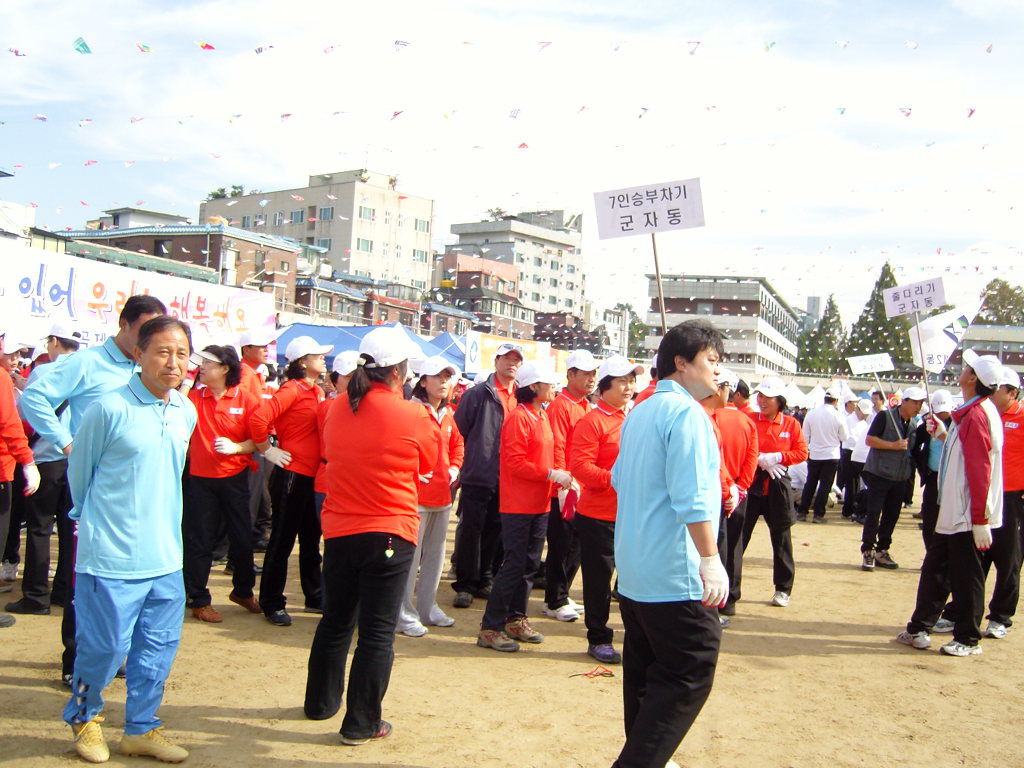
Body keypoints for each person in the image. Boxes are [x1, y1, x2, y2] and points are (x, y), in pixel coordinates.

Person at [61, 316, 196, 763]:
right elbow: (80, 478)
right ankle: (85, 718)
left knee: (156, 650)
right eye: (162, 351)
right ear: (138, 354)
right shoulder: (109, 408)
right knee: (103, 649)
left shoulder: (184, 410)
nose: (172, 362)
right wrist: (99, 523)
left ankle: (141, 727)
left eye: (181, 352)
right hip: (111, 557)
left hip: (165, 558)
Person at [20, 295, 166, 681]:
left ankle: (117, 652)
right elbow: (33, 397)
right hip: (91, 486)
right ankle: (77, 662)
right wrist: (67, 442)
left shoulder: (149, 368)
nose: (151, 339)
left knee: (131, 575)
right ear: (124, 324)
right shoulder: (87, 363)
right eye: (144, 330)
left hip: (138, 490)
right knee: (82, 575)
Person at [304, 325, 436, 745]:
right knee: (376, 633)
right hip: (389, 531)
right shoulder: (413, 414)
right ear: (399, 372)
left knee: (336, 621)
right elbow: (430, 462)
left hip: (341, 528)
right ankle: (361, 723)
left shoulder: (334, 408)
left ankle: (320, 703)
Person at [609, 319, 729, 768]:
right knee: (689, 668)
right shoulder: (685, 414)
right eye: (711, 361)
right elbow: (693, 496)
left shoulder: (640, 411)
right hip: (673, 572)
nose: (718, 372)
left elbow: (622, 479)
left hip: (637, 568)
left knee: (645, 671)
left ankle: (647, 755)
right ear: (681, 363)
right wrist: (711, 559)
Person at [896, 350, 1003, 656]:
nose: (961, 370)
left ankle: (968, 638)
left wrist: (981, 519)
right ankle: (919, 626)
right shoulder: (970, 411)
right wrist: (943, 435)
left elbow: (980, 468)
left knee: (966, 575)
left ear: (973, 378)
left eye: (966, 368)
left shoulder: (978, 414)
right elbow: (963, 455)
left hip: (966, 513)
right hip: (954, 510)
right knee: (936, 570)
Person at [477, 360, 571, 652]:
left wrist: (558, 477)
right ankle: (490, 627)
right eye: (549, 383)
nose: (553, 387)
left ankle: (515, 618)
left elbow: (548, 454)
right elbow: (516, 463)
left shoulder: (540, 415)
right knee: (515, 564)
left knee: (529, 563)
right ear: (534, 387)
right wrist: (549, 474)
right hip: (518, 504)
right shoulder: (520, 418)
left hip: (539, 503)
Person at [182, 345, 271, 623]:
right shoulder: (193, 398)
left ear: (225, 368)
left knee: (242, 537)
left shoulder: (246, 400)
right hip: (199, 479)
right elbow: (171, 414)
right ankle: (197, 598)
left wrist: (235, 447)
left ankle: (243, 591)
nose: (203, 367)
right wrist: (186, 383)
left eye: (208, 362)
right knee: (200, 540)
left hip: (234, 477)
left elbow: (259, 441)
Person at [568, 355, 642, 664]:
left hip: (631, 514)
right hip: (599, 515)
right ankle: (597, 636)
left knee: (633, 577)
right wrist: (612, 480)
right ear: (606, 387)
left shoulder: (634, 418)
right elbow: (580, 465)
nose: (629, 387)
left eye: (631, 381)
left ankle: (637, 635)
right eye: (622, 381)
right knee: (598, 581)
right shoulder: (592, 421)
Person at [6, 323, 78, 618]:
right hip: (76, 462)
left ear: (53, 342)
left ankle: (36, 595)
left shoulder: (44, 372)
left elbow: (24, 413)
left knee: (39, 528)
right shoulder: (90, 372)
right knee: (68, 529)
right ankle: (64, 590)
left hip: (47, 459)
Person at [258, 335, 331, 626]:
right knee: (282, 540)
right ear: (303, 361)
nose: (323, 358)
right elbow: (258, 419)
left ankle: (314, 595)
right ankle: (272, 601)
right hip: (292, 474)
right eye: (317, 355)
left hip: (310, 475)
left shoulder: (313, 391)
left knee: (311, 539)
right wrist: (268, 449)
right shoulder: (291, 390)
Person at [396, 356, 465, 637]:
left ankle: (427, 607)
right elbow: (395, 445)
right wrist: (411, 469)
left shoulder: (447, 414)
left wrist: (453, 467)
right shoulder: (409, 411)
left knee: (435, 558)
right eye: (438, 377)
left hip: (442, 496)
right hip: (414, 498)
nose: (444, 382)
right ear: (423, 381)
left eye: (448, 377)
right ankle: (403, 613)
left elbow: (458, 443)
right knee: (410, 559)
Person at [450, 343, 523, 608]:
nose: (511, 363)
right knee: (471, 529)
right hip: (478, 472)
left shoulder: (521, 397)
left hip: (509, 475)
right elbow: (459, 433)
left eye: (516, 360)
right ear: (496, 361)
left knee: (497, 528)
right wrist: (461, 466)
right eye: (506, 358)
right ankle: (466, 583)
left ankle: (485, 578)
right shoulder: (478, 394)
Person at [738, 377, 807, 608]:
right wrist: (757, 459)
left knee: (781, 539)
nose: (762, 401)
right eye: (760, 396)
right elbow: (739, 446)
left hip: (777, 485)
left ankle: (783, 588)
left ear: (780, 401)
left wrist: (779, 457)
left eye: (768, 397)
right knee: (738, 537)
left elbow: (801, 452)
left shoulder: (791, 424)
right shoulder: (748, 419)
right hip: (750, 483)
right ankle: (729, 587)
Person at [543, 348, 597, 622]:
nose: (590, 379)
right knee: (561, 543)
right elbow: (558, 444)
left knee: (576, 542)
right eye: (585, 374)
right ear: (570, 375)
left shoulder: (586, 406)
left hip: (582, 486)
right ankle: (554, 598)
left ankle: (562, 593)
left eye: (593, 374)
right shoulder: (561, 406)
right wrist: (565, 482)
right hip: (565, 487)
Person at [710, 367, 758, 622]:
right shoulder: (747, 422)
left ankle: (714, 599)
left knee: (714, 546)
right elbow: (752, 459)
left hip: (716, 492)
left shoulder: (708, 417)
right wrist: (740, 488)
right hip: (737, 492)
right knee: (734, 544)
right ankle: (730, 598)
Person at [860, 386, 926, 571]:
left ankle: (883, 549)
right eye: (914, 402)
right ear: (903, 401)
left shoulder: (913, 425)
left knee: (892, 516)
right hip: (879, 474)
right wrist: (893, 445)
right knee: (873, 513)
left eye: (920, 403)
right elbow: (870, 440)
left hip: (900, 477)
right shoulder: (885, 416)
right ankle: (868, 551)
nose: (918, 406)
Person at [0, 332, 41, 629]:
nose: (15, 359)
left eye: (19, 353)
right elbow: (10, 424)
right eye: (11, 352)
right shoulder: (2, 379)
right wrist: (27, 460)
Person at [979, 366, 1023, 639]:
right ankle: (960, 610)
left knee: (1009, 559)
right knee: (975, 556)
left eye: (998, 389)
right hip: (984, 494)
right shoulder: (984, 414)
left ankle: (1000, 616)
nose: (992, 392)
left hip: (1012, 497)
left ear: (1012, 392)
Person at [238, 328, 277, 550]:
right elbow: (250, 413)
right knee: (252, 494)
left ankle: (250, 537)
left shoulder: (253, 373)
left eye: (266, 346)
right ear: (247, 349)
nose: (266, 350)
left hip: (258, 441)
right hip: (253, 442)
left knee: (257, 493)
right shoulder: (245, 374)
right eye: (261, 346)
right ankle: (241, 546)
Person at [797, 385, 849, 523]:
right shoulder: (839, 416)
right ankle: (818, 514)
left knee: (810, 483)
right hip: (831, 455)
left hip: (815, 454)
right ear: (836, 401)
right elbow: (845, 437)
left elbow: (805, 436)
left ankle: (802, 511)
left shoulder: (812, 414)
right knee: (825, 486)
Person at [911, 390, 954, 544]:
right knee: (930, 518)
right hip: (932, 477)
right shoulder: (927, 425)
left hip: (951, 479)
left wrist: (943, 434)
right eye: (939, 411)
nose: (942, 415)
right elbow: (914, 446)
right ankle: (931, 551)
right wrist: (922, 467)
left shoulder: (956, 425)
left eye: (945, 412)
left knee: (948, 519)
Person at [843, 399, 875, 522]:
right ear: (857, 409)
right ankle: (848, 510)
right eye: (863, 413)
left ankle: (854, 507)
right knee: (851, 484)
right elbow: (847, 437)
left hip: (861, 454)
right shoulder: (849, 420)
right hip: (850, 452)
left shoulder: (864, 423)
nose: (865, 416)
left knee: (858, 484)